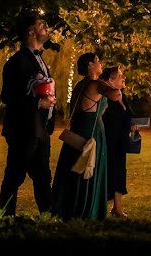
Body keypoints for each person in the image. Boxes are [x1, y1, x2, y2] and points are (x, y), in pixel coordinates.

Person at [0, 13, 57, 216]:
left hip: (40, 128)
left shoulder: (40, 59)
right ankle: (6, 217)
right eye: (41, 24)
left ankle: (48, 215)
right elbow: (8, 96)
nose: (46, 27)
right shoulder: (16, 62)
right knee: (15, 175)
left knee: (42, 174)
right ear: (31, 32)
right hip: (23, 129)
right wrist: (38, 102)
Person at [51, 53, 119, 219]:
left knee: (74, 168)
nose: (100, 63)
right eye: (97, 60)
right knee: (88, 168)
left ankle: (67, 206)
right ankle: (87, 209)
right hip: (91, 132)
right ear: (90, 65)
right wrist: (111, 84)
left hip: (78, 129)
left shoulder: (79, 85)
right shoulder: (96, 84)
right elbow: (116, 95)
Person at [101, 66, 136, 218]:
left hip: (121, 142)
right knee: (112, 172)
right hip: (110, 141)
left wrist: (133, 124)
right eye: (120, 76)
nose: (124, 78)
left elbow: (128, 114)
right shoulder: (106, 97)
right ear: (110, 81)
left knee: (120, 172)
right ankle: (112, 206)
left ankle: (117, 207)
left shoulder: (123, 96)